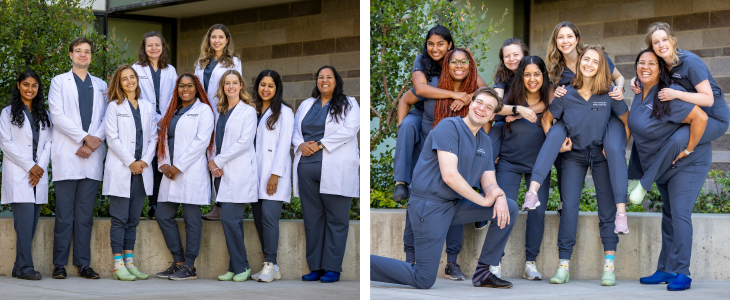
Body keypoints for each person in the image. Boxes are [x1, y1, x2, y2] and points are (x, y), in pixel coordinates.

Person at [370, 86, 517, 290]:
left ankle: (483, 272)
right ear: (471, 103)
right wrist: (484, 200)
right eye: (479, 102)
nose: (482, 109)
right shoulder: (449, 127)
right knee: (423, 279)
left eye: (489, 107)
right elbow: (449, 176)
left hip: (454, 205)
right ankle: (367, 265)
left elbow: (489, 181)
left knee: (508, 206)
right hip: (429, 205)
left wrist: (498, 195)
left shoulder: (484, 140)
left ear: (493, 115)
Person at [532, 45, 630, 286]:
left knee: (607, 210)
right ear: (580, 62)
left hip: (601, 157)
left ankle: (609, 266)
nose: (589, 64)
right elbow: (547, 119)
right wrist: (559, 145)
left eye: (595, 62)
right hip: (574, 157)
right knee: (570, 208)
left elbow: (627, 124)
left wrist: (615, 146)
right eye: (586, 59)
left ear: (601, 67)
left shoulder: (610, 94)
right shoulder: (566, 93)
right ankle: (563, 265)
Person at [527, 21, 629, 234]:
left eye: (569, 36)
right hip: (573, 116)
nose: (565, 41)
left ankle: (620, 212)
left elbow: (618, 78)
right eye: (560, 37)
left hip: (602, 115)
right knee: (559, 143)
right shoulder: (555, 71)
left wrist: (618, 90)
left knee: (611, 151)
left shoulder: (595, 57)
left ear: (577, 39)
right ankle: (544, 195)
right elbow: (552, 107)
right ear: (556, 41)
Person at [629, 49, 709, 292]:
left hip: (686, 163)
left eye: (651, 63)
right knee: (668, 215)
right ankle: (665, 268)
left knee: (680, 213)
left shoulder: (666, 97)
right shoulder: (638, 92)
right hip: (660, 163)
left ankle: (682, 272)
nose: (645, 67)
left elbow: (701, 118)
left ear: (660, 68)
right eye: (641, 62)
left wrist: (689, 148)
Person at [626, 22, 730, 204]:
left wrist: (676, 94)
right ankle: (635, 174)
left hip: (714, 117)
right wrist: (637, 79)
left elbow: (708, 100)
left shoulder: (690, 62)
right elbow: (650, 70)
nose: (661, 45)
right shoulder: (664, 64)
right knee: (643, 126)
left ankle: (644, 184)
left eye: (664, 39)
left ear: (673, 40)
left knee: (676, 139)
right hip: (689, 115)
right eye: (656, 42)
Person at [49, 36, 108, 280]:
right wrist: (85, 138)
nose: (83, 54)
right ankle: (59, 264)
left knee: (85, 216)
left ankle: (83, 264)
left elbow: (108, 119)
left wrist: (93, 143)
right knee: (64, 215)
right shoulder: (59, 82)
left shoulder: (102, 84)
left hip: (91, 156)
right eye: (78, 51)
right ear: (70, 55)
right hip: (68, 154)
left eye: (87, 51)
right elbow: (57, 115)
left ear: (91, 56)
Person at [293, 65, 359, 283]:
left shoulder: (349, 103)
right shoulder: (306, 105)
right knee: (312, 220)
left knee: (337, 219)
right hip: (306, 168)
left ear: (336, 80)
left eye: (329, 77)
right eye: (320, 77)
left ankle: (332, 268)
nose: (324, 80)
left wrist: (319, 144)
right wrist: (301, 145)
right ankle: (317, 267)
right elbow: (295, 132)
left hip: (335, 166)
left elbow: (349, 130)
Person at [492, 56, 555, 280]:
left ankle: (530, 263)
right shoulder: (512, 96)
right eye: (527, 74)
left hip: (539, 165)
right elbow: (494, 108)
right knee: (503, 209)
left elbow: (552, 105)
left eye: (536, 74)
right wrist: (517, 109)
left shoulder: (550, 94)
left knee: (537, 213)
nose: (532, 79)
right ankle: (494, 262)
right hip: (509, 161)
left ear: (543, 75)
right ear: (521, 76)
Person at [154, 73, 215, 281]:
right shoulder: (173, 110)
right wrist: (163, 162)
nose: (185, 89)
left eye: (189, 86)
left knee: (191, 219)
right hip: (170, 172)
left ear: (197, 88)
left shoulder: (204, 110)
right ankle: (178, 261)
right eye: (181, 86)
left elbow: (201, 141)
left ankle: (190, 265)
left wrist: (178, 166)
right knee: (162, 214)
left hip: (190, 171)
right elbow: (161, 138)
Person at [102, 65, 158, 281]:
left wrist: (143, 161)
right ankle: (118, 265)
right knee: (119, 219)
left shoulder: (146, 106)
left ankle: (130, 262)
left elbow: (153, 136)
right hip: (122, 170)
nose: (129, 81)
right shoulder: (114, 107)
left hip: (141, 171)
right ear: (119, 82)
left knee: (133, 219)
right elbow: (112, 138)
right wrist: (131, 162)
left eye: (132, 77)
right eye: (124, 79)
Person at [2, 70, 52, 280]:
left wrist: (39, 168)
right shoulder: (7, 113)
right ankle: (26, 267)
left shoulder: (44, 114)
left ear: (38, 89)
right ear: (18, 85)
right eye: (26, 85)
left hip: (36, 177)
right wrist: (31, 166)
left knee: (29, 225)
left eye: (34, 85)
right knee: (23, 225)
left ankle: (17, 267)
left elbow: (49, 143)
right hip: (20, 174)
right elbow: (6, 143)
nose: (30, 89)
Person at [209, 70, 258, 282]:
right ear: (223, 86)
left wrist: (218, 161)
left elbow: (243, 143)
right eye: (227, 83)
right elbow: (215, 141)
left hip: (238, 172)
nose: (231, 86)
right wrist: (213, 164)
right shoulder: (219, 111)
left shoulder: (248, 111)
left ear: (241, 85)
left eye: (234, 83)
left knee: (230, 218)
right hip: (221, 173)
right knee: (232, 222)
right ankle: (233, 267)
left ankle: (243, 267)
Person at [249, 70, 294, 283]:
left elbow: (284, 145)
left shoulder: (285, 112)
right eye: (262, 84)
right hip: (253, 175)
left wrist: (275, 174)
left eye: (270, 85)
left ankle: (270, 263)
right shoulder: (251, 110)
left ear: (277, 88)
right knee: (259, 220)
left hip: (273, 174)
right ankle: (273, 267)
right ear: (257, 86)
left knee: (269, 217)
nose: (266, 89)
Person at [195, 23, 242, 220]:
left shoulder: (234, 62)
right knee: (205, 155)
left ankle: (221, 205)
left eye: (221, 37)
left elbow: (234, 86)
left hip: (222, 112)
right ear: (209, 39)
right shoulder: (201, 62)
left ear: (227, 40)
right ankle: (208, 201)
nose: (216, 41)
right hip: (202, 113)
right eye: (213, 37)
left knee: (220, 155)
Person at [132, 30, 178, 220]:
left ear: (163, 47)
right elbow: (138, 95)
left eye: (157, 44)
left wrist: (165, 117)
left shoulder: (171, 70)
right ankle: (147, 205)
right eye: (149, 45)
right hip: (147, 121)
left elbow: (174, 96)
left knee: (162, 161)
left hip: (166, 122)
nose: (154, 48)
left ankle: (158, 206)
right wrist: (157, 117)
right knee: (148, 162)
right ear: (144, 47)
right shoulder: (136, 68)